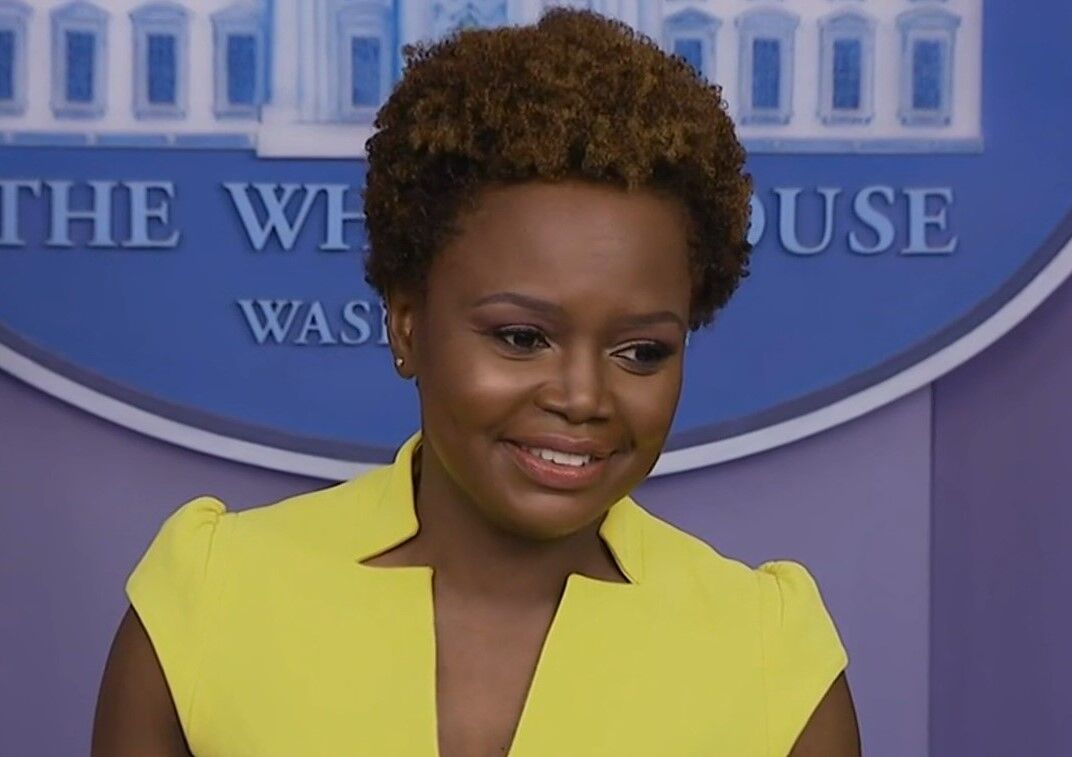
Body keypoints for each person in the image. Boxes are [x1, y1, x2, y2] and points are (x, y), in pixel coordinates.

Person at [92, 9, 860, 756]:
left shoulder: (769, 660)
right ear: (406, 325)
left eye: (641, 352)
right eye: (522, 338)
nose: (584, 396)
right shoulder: (211, 601)